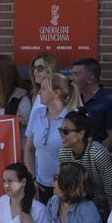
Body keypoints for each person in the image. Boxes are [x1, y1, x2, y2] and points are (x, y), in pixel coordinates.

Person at [24, 73, 80, 204]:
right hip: (41, 185)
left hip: (67, 188)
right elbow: (29, 148)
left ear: (56, 93)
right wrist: (32, 179)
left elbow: (80, 154)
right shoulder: (37, 114)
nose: (39, 93)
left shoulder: (72, 117)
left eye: (43, 89)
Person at [57, 108, 112, 219]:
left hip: (101, 209)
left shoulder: (98, 154)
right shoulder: (63, 153)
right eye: (60, 130)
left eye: (66, 131)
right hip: (76, 207)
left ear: (81, 134)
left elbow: (111, 191)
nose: (61, 134)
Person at [72, 57, 112, 145]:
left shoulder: (110, 101)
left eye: (76, 74)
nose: (72, 79)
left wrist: (95, 155)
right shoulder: (75, 100)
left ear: (90, 78)